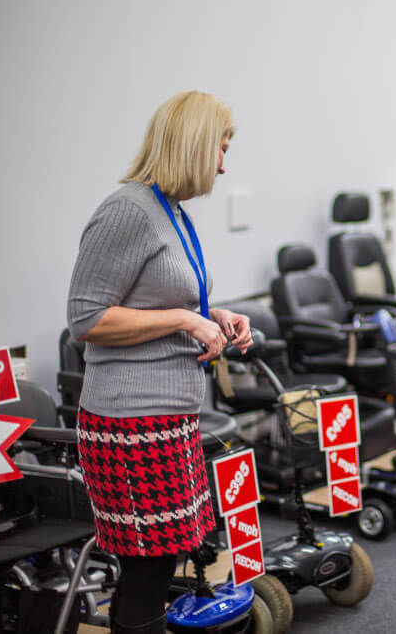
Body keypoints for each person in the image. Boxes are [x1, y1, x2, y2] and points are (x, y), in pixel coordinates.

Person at [67, 90, 252, 634]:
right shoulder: (128, 210)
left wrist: (212, 314)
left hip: (168, 416)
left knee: (157, 565)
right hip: (129, 422)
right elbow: (86, 319)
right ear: (194, 146)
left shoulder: (169, 211)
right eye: (219, 148)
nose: (224, 163)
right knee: (147, 571)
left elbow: (151, 297)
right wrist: (183, 320)